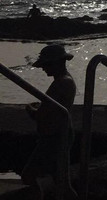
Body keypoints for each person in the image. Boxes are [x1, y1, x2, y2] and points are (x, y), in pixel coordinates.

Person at [20, 44, 77, 200]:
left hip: (55, 136)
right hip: (58, 132)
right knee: (60, 177)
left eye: (47, 64)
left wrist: (30, 110)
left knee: (30, 175)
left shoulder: (61, 83)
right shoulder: (66, 80)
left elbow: (42, 115)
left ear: (57, 63)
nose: (44, 68)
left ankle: (43, 194)